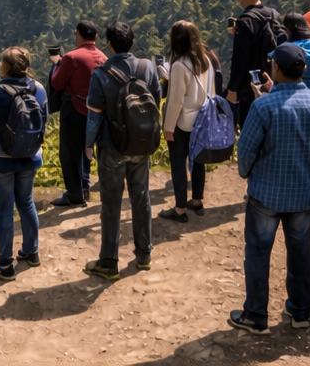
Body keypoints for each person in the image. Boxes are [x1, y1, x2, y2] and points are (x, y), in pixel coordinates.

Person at [228, 43, 310, 334]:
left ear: (275, 69)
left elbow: (246, 152)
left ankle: (255, 315)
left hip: (266, 193)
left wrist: (247, 173)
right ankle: (300, 311)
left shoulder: (263, 107)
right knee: (299, 252)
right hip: (303, 192)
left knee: (258, 253)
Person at [81, 20, 160, 280]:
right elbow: (156, 102)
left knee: (111, 203)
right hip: (142, 144)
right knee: (142, 197)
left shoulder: (101, 74)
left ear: (110, 45)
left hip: (112, 146)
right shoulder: (148, 68)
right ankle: (144, 254)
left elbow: (94, 117)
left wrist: (88, 144)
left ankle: (109, 261)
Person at [0, 46, 48, 279]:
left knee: (4, 209)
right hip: (29, 154)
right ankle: (31, 252)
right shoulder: (38, 88)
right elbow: (43, 117)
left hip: (1, 157)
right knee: (26, 203)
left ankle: (5, 264)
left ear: (4, 67)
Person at [159, 20, 220, 223]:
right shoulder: (206, 60)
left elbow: (175, 100)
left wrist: (168, 128)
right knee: (198, 160)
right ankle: (197, 200)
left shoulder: (179, 65)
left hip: (183, 122)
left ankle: (180, 209)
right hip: (202, 118)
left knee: (178, 163)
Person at [48, 20, 106, 206]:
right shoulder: (103, 58)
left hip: (74, 110)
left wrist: (57, 65)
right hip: (98, 112)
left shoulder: (71, 57)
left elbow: (57, 83)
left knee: (69, 152)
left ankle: (74, 193)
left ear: (78, 34)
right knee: (88, 149)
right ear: (95, 37)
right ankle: (87, 187)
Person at [227, 0, 284, 128]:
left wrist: (232, 89)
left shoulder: (245, 21)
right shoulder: (274, 15)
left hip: (251, 89)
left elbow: (240, 60)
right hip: (274, 83)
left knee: (252, 131)